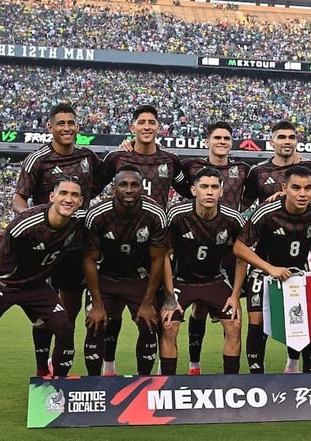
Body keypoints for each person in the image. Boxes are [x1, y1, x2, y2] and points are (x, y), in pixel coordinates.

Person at [0, 177, 105, 423]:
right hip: (5, 284)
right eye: (63, 193)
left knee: (64, 326)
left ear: (81, 201)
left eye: (74, 195)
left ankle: (58, 390)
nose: (68, 199)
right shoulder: (26, 222)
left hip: (37, 286)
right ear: (52, 197)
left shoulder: (81, 223)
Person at [93, 104, 191, 376]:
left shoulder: (170, 161)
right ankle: (108, 368)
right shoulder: (117, 158)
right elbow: (90, 188)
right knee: (110, 315)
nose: (147, 126)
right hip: (117, 243)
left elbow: (192, 191)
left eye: (152, 122)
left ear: (158, 128)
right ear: (132, 127)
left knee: (153, 315)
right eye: (142, 122)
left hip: (153, 245)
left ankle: (157, 372)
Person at [12, 103, 103, 376]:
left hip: (78, 245)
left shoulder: (88, 157)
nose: (66, 128)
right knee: (43, 315)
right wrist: (36, 219)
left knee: (69, 314)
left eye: (71, 123)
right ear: (50, 127)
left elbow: (110, 175)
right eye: (60, 123)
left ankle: (60, 366)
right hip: (46, 247)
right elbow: (19, 199)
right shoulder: (37, 160)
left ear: (77, 126)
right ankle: (42, 370)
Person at [233, 165, 311, 374]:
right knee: (257, 321)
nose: (302, 194)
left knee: (305, 323)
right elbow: (239, 247)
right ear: (284, 188)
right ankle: (257, 376)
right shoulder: (267, 211)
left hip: (298, 273)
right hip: (264, 272)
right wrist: (270, 268)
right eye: (296, 188)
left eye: (308, 188)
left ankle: (303, 373)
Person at [240, 120, 311, 373]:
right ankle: (255, 375)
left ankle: (294, 367)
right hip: (265, 251)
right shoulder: (258, 172)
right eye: (281, 136)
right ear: (271, 141)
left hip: (297, 254)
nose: (287, 141)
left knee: (297, 318)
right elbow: (245, 204)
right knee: (257, 319)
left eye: (291, 137)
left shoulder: (307, 167)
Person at [159, 167, 247, 375]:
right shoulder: (177, 215)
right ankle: (166, 383)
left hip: (213, 280)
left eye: (214, 187)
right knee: (169, 325)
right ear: (193, 190)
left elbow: (242, 257)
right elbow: (163, 255)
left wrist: (235, 296)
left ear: (222, 191)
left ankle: (231, 383)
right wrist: (169, 296)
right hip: (181, 280)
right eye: (204, 187)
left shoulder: (233, 219)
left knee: (234, 323)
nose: (209, 192)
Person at [82, 165, 168, 376]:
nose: (129, 189)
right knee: (95, 324)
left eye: (134, 185)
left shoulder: (155, 215)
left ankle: (144, 383)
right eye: (123, 185)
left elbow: (158, 259)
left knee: (149, 325)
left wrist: (148, 303)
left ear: (142, 189)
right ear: (114, 189)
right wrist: (97, 304)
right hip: (105, 276)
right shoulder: (97, 215)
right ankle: (96, 383)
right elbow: (89, 260)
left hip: (138, 277)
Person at [180, 121, 251, 375]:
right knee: (198, 306)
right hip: (198, 240)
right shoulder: (191, 167)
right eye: (217, 137)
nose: (222, 142)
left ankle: (231, 371)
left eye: (227, 138)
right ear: (207, 141)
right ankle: (194, 364)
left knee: (231, 308)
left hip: (229, 244)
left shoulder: (243, 169)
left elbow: (252, 196)